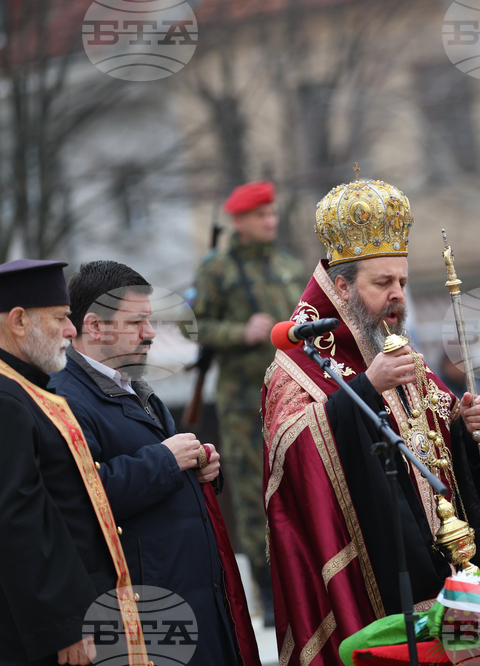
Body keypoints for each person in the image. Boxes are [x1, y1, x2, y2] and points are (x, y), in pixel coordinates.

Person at [261, 176, 480, 665]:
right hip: (371, 579)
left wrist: (468, 425)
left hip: (444, 570)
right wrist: (364, 389)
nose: (397, 295)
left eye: (401, 282)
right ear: (341, 287)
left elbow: (438, 436)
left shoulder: (399, 351)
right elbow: (290, 458)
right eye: (382, 283)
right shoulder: (296, 365)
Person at [49, 260, 260, 666]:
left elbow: (158, 476)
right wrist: (165, 460)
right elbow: (81, 496)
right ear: (94, 327)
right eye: (137, 323)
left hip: (190, 597)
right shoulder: (65, 398)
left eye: (150, 320)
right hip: (149, 616)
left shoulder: (134, 385)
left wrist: (199, 469)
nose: (150, 333)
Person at [0, 259, 147, 666]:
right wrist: (64, 626)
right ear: (18, 321)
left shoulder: (24, 389)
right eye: (62, 318)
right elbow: (19, 522)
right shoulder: (7, 400)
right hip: (44, 636)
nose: (71, 330)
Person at [186, 180, 306, 621]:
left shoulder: (290, 265)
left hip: (290, 396)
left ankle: (303, 580)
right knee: (255, 493)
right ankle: (269, 593)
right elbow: (193, 327)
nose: (270, 221)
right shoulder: (216, 269)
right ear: (239, 220)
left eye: (272, 214)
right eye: (261, 215)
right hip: (242, 403)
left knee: (298, 482)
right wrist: (242, 332)